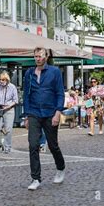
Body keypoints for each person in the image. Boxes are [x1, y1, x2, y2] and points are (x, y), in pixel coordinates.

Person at [23, 47, 66, 191]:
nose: (38, 59)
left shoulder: (54, 72)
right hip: (34, 112)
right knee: (33, 145)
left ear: (46, 57)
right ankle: (35, 178)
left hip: (50, 112)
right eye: (35, 56)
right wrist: (27, 116)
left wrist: (58, 112)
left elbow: (60, 93)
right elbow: (26, 95)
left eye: (40, 56)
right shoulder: (29, 73)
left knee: (53, 145)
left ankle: (60, 168)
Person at [0, 72, 18, 154]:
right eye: (0, 79)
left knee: (8, 129)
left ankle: (7, 147)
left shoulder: (12, 87)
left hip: (9, 110)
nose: (1, 81)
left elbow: (15, 100)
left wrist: (8, 106)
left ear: (7, 80)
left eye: (3, 80)